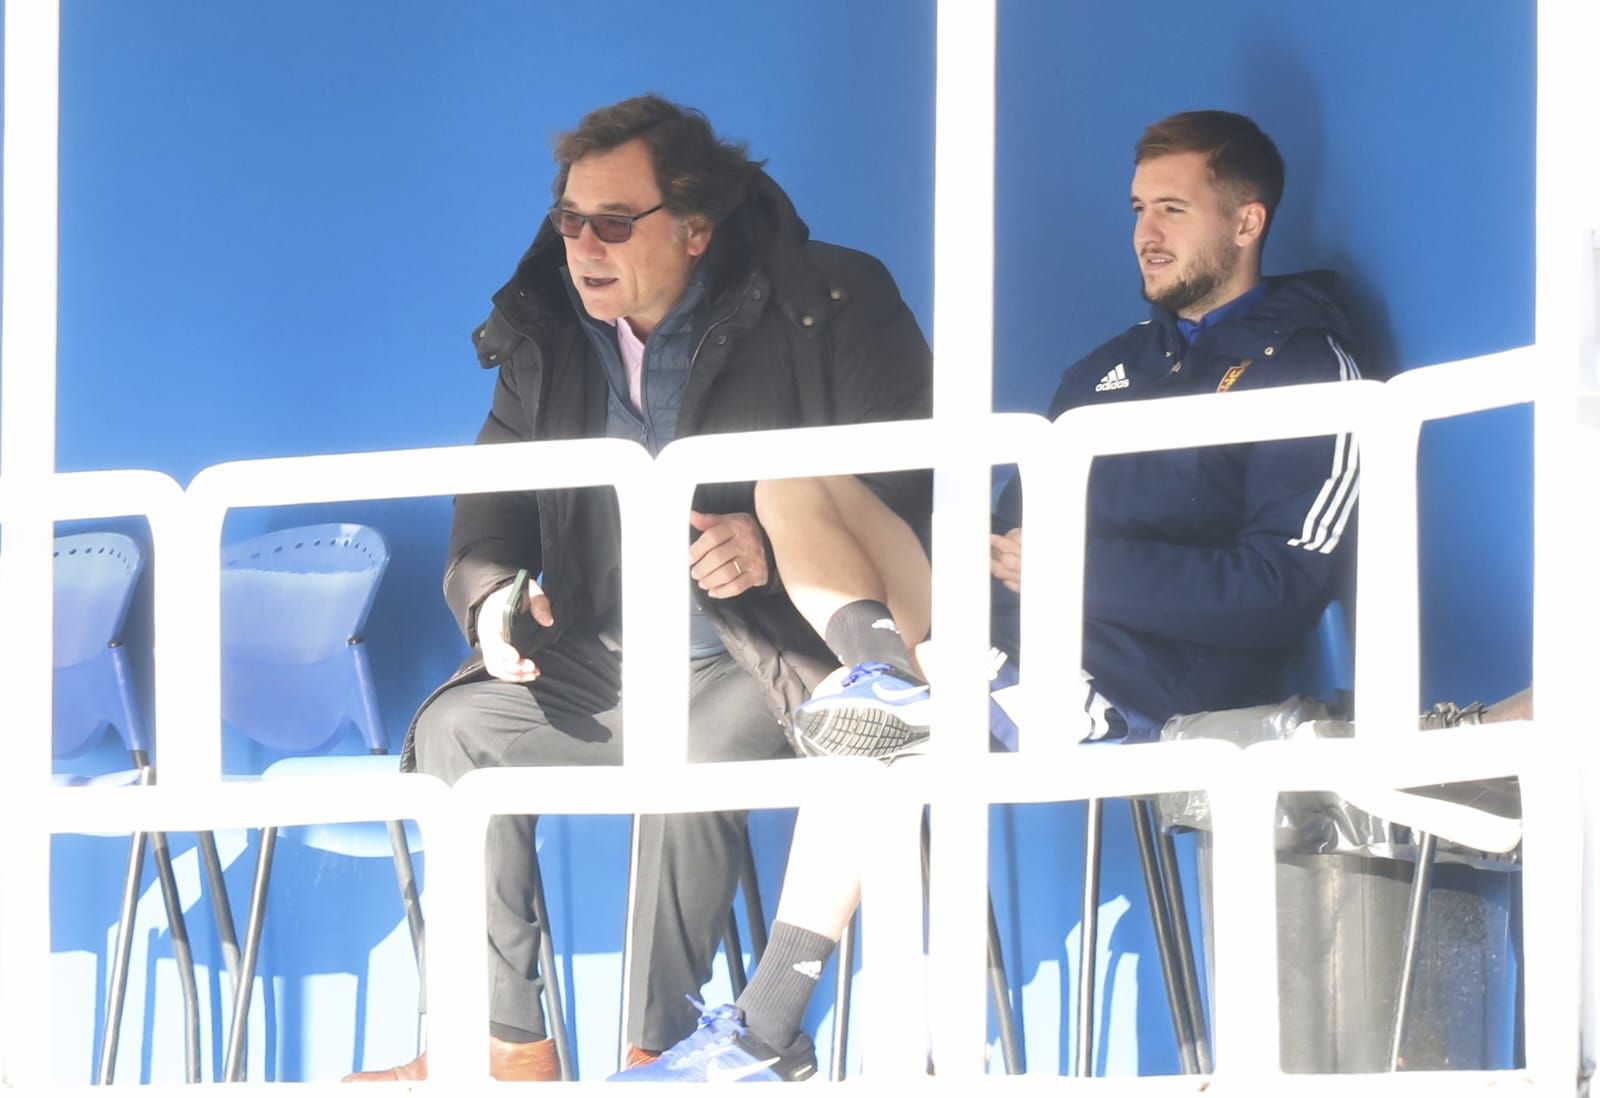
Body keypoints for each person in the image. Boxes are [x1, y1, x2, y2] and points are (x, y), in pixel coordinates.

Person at [610, 109, 1364, 1082]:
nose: (1146, 230)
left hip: (1141, 681)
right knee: (793, 478)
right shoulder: (1104, 372)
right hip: (1005, 642)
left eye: (1172, 209)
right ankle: (885, 677)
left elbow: (1280, 590)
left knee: (872, 754)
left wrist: (1068, 571)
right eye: (1138, 207)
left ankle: (763, 1032)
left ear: (1247, 221)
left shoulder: (1307, 363)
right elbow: (1006, 541)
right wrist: (986, 578)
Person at [343, 94, 933, 1082]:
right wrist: (494, 599)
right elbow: (488, 513)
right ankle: (504, 1052)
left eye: (613, 223)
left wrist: (766, 537)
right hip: (599, 659)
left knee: (688, 749)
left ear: (695, 229)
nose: (583, 245)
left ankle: (660, 1052)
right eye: (570, 220)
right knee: (458, 731)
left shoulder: (825, 294)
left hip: (767, 651)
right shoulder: (542, 333)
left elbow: (918, 477)